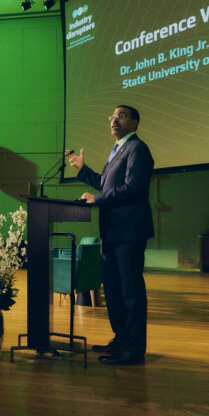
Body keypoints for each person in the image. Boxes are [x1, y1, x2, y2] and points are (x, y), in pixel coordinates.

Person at [65, 104, 154, 366]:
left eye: (122, 116)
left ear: (135, 123)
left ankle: (134, 349)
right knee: (114, 291)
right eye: (113, 116)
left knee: (130, 292)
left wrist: (98, 198)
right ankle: (121, 339)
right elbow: (106, 184)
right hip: (112, 233)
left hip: (129, 233)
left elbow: (133, 189)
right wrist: (83, 170)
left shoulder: (138, 148)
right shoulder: (117, 150)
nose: (115, 120)